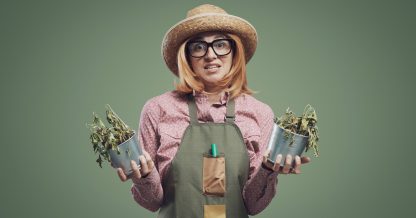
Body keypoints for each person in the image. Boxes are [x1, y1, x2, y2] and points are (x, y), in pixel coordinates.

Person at [116, 4, 311, 218]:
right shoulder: (158, 109)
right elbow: (153, 203)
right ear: (187, 56)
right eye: (198, 47)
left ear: (234, 51)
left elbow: (253, 206)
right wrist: (142, 176)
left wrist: (269, 169)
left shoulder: (259, 113)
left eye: (220, 44)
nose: (210, 55)